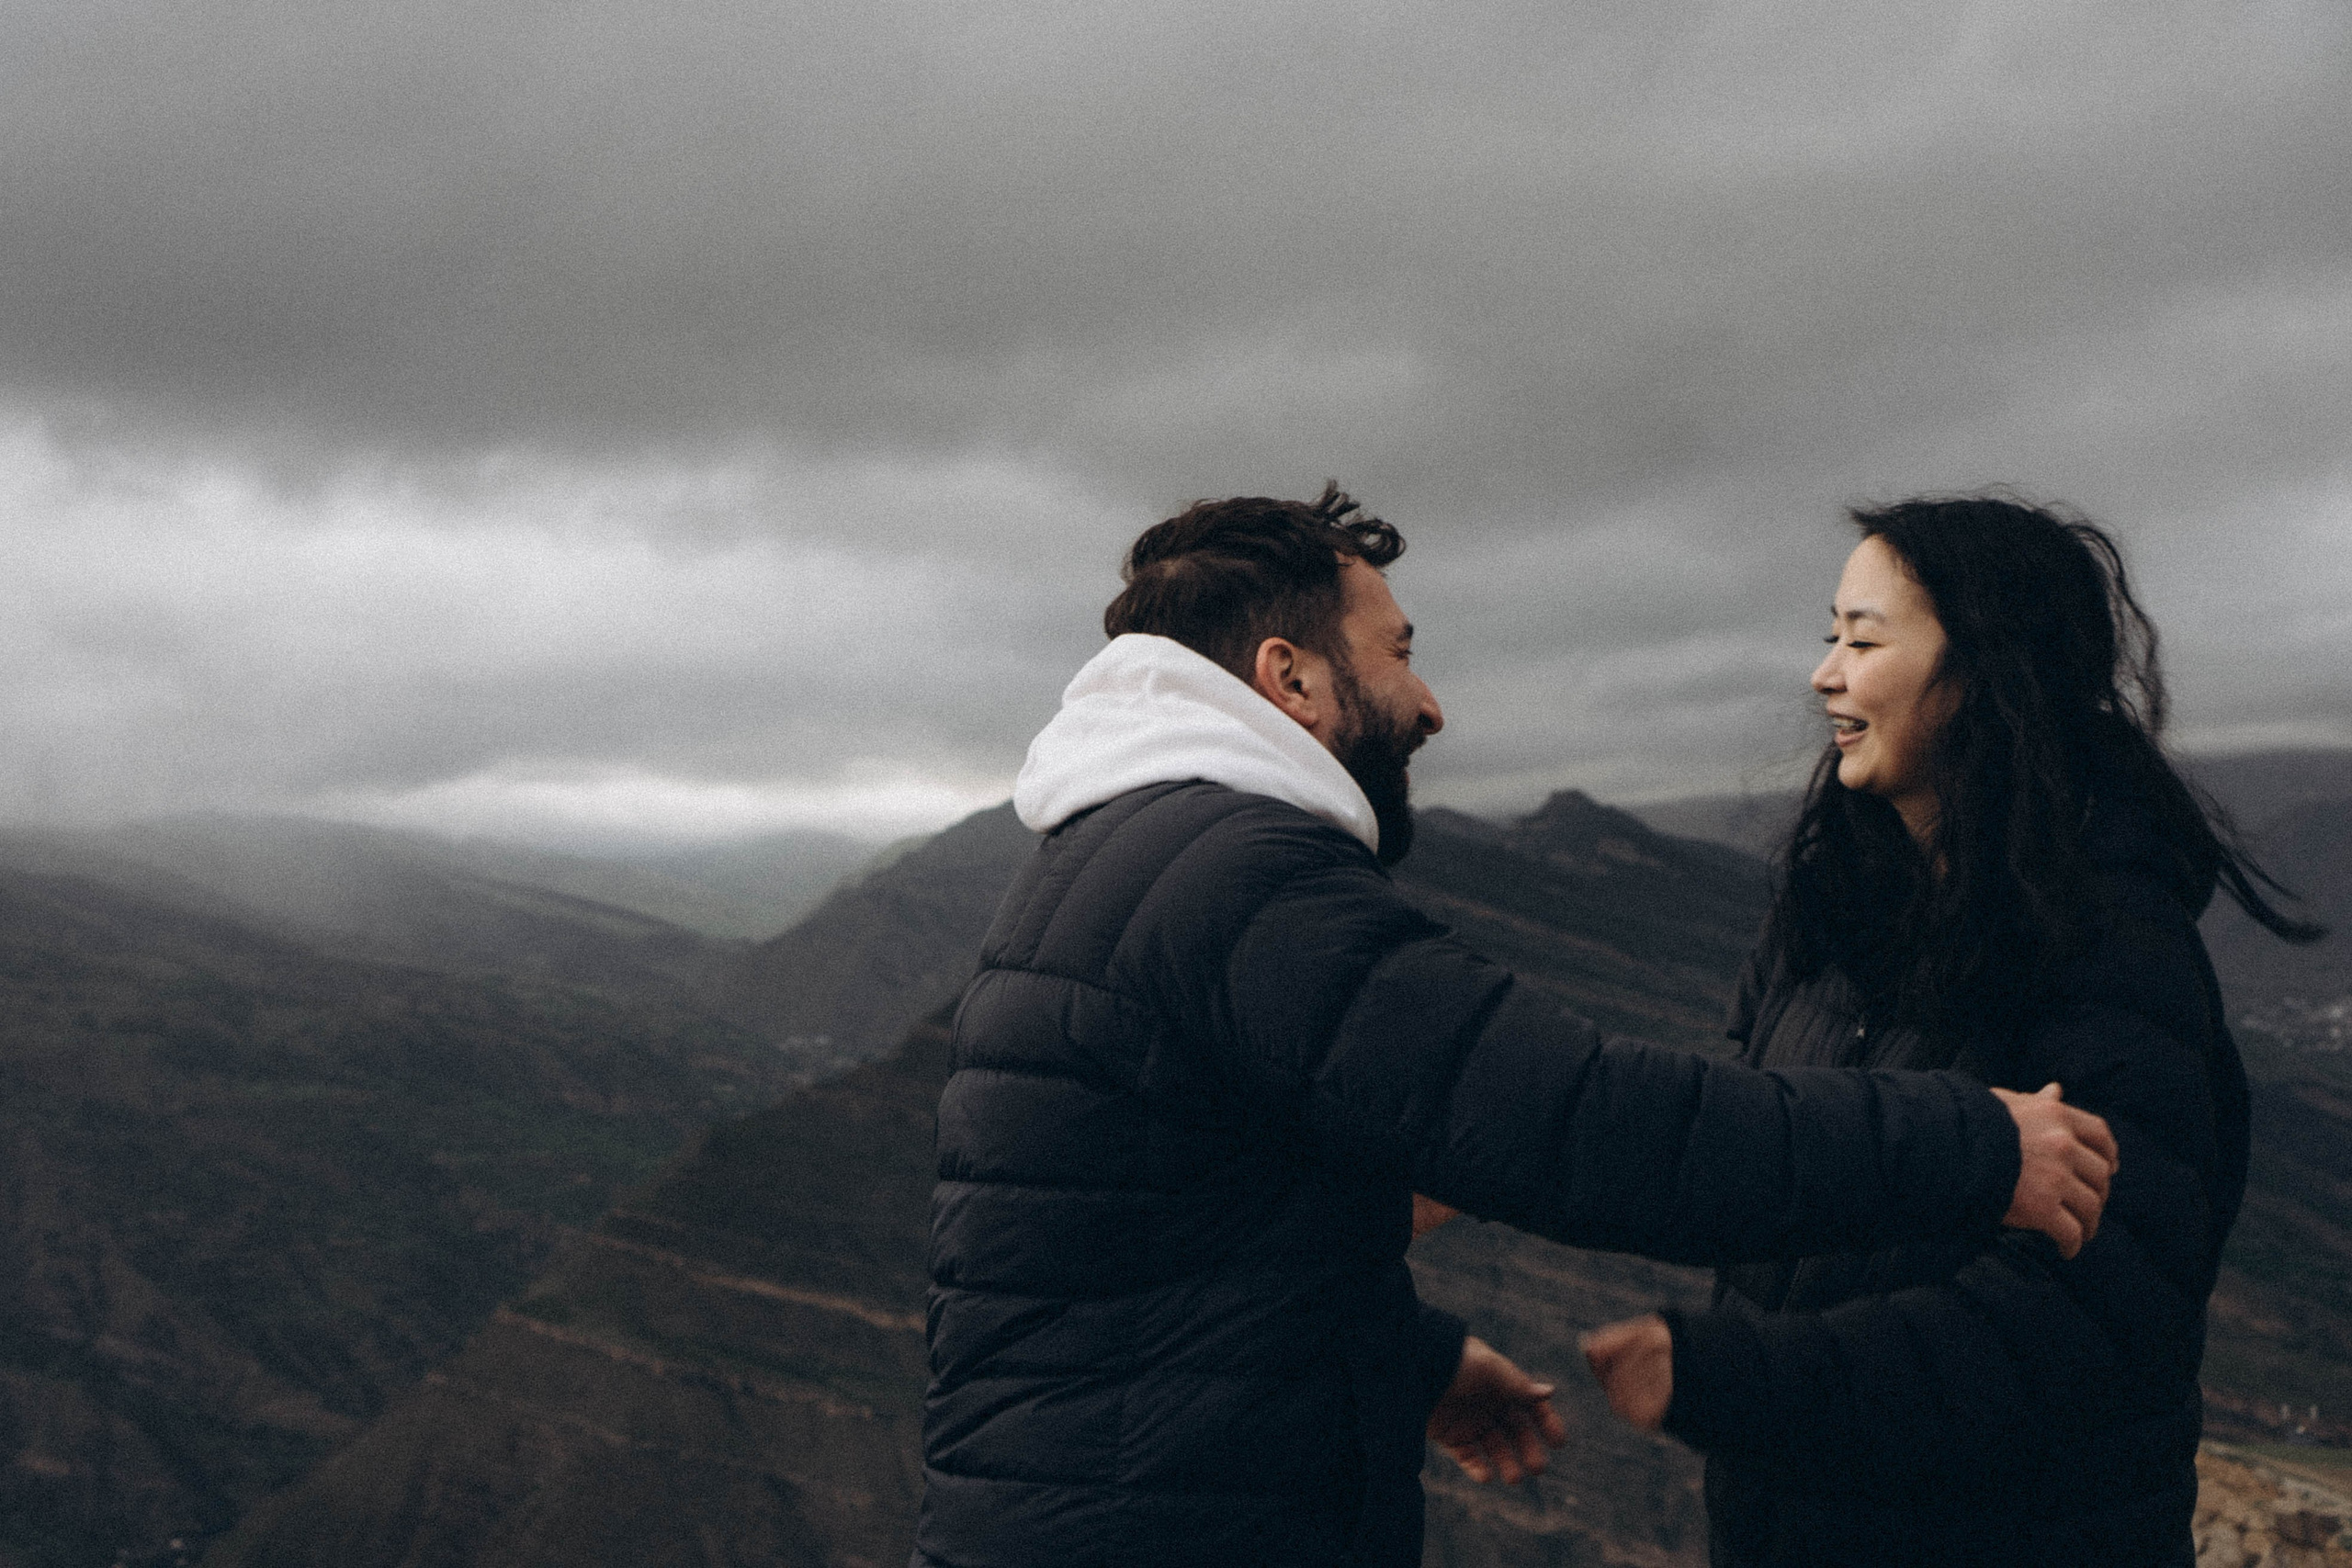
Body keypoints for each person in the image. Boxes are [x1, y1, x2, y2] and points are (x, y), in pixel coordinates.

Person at [914, 485, 2120, 1568]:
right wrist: (1974, 1144)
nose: (1429, 704)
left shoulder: (1117, 849)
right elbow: (1580, 1121)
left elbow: (1184, 1229)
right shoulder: (1240, 879)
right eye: (1397, 655)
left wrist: (1412, 1357)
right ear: (1292, 677)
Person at [1580, 494, 2324, 1567]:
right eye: (1828, 633)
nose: (1823, 673)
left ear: (1983, 670)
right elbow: (1749, 1147)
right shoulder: (1827, 911)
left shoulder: (2112, 947)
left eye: (1863, 639)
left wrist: (1735, 1379)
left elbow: (2084, 1318)